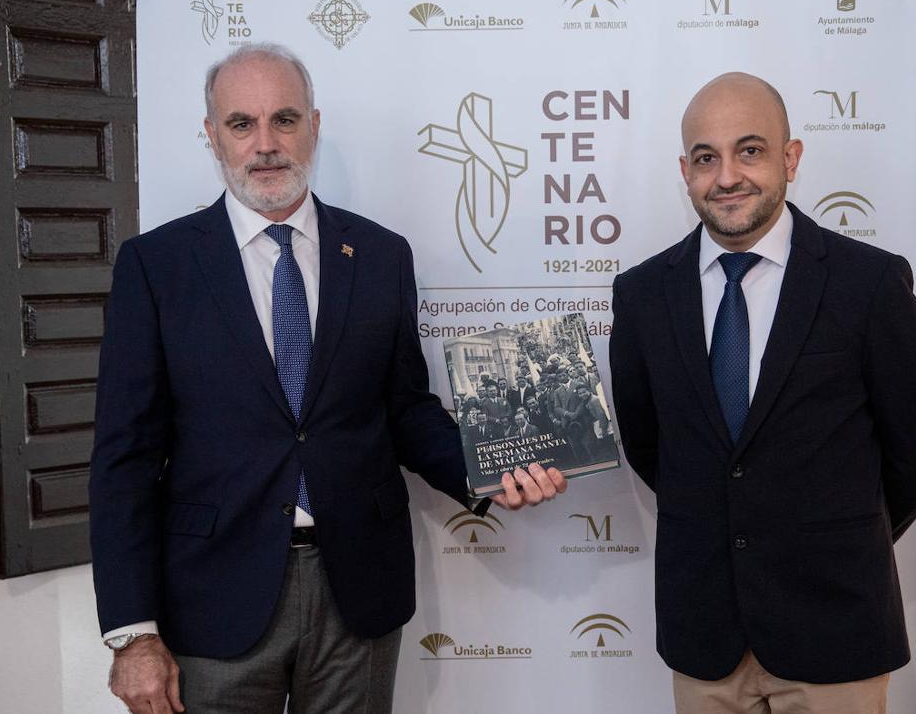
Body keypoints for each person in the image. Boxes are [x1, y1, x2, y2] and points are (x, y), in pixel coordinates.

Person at [89, 43, 566, 714]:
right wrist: (132, 634)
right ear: (211, 135)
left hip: (357, 592)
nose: (265, 144)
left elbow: (406, 411)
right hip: (212, 597)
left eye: (284, 120)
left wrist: (488, 469)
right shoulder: (156, 266)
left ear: (314, 125)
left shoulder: (379, 255)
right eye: (241, 124)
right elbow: (124, 458)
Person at [608, 72, 916, 714]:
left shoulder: (868, 284)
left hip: (836, 630)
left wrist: (840, 532)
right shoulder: (641, 297)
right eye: (707, 158)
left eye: (751, 150)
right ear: (685, 171)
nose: (728, 176)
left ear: (789, 158)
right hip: (704, 636)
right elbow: (649, 446)